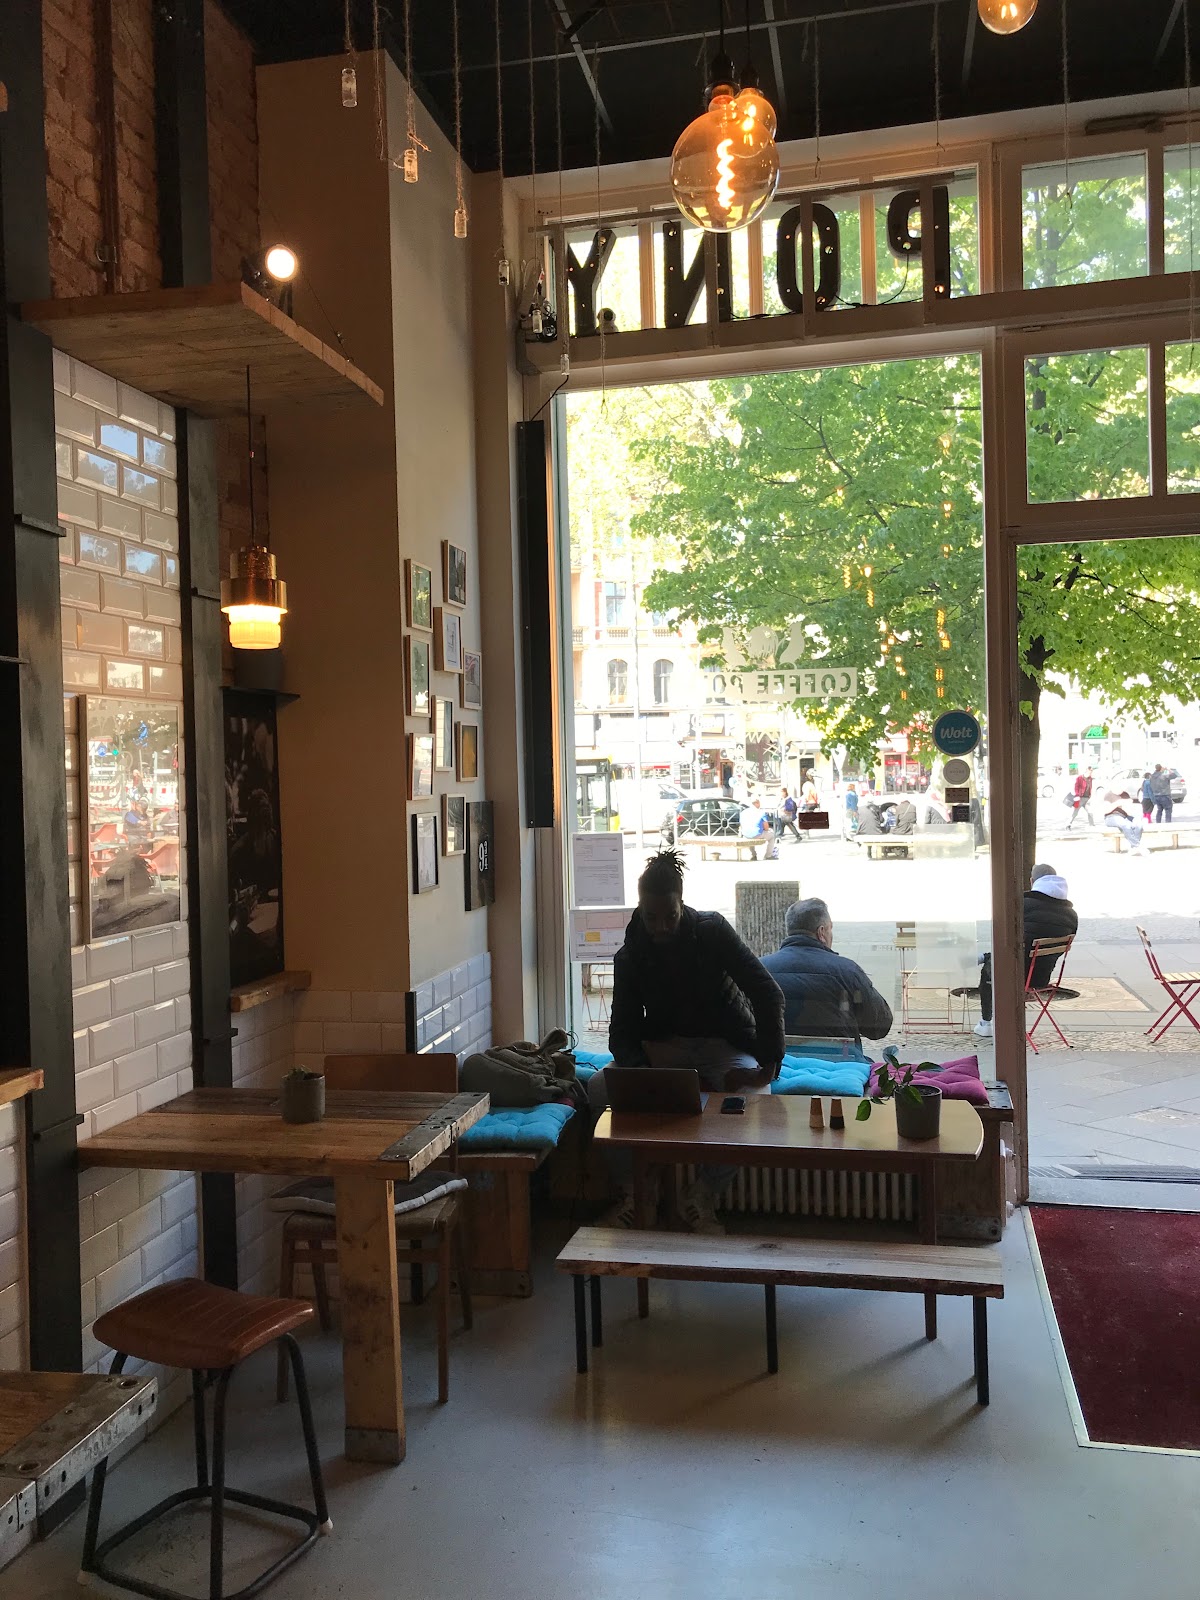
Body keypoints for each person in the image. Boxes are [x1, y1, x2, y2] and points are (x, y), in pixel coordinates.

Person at [594, 848, 785, 1233]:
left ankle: (703, 1194)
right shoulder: (630, 956)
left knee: (753, 1099)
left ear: (682, 904)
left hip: (725, 1044)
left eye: (671, 916)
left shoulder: (712, 932)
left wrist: (769, 1062)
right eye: (652, 918)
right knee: (599, 1089)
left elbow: (768, 992)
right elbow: (622, 1031)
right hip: (666, 1047)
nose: (661, 927)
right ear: (640, 909)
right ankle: (636, 1192)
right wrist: (644, 1075)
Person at [761, 899, 893, 1044]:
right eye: (831, 929)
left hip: (776, 1058)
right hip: (840, 1058)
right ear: (821, 932)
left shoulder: (760, 969)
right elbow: (879, 1026)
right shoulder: (847, 971)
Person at [974, 863, 1079, 1037]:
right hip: (1042, 977)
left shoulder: (1022, 904)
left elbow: (1006, 940)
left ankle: (986, 1023)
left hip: (1016, 974)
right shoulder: (1072, 914)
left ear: (1032, 881)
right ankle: (986, 957)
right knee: (1016, 952)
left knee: (990, 970)